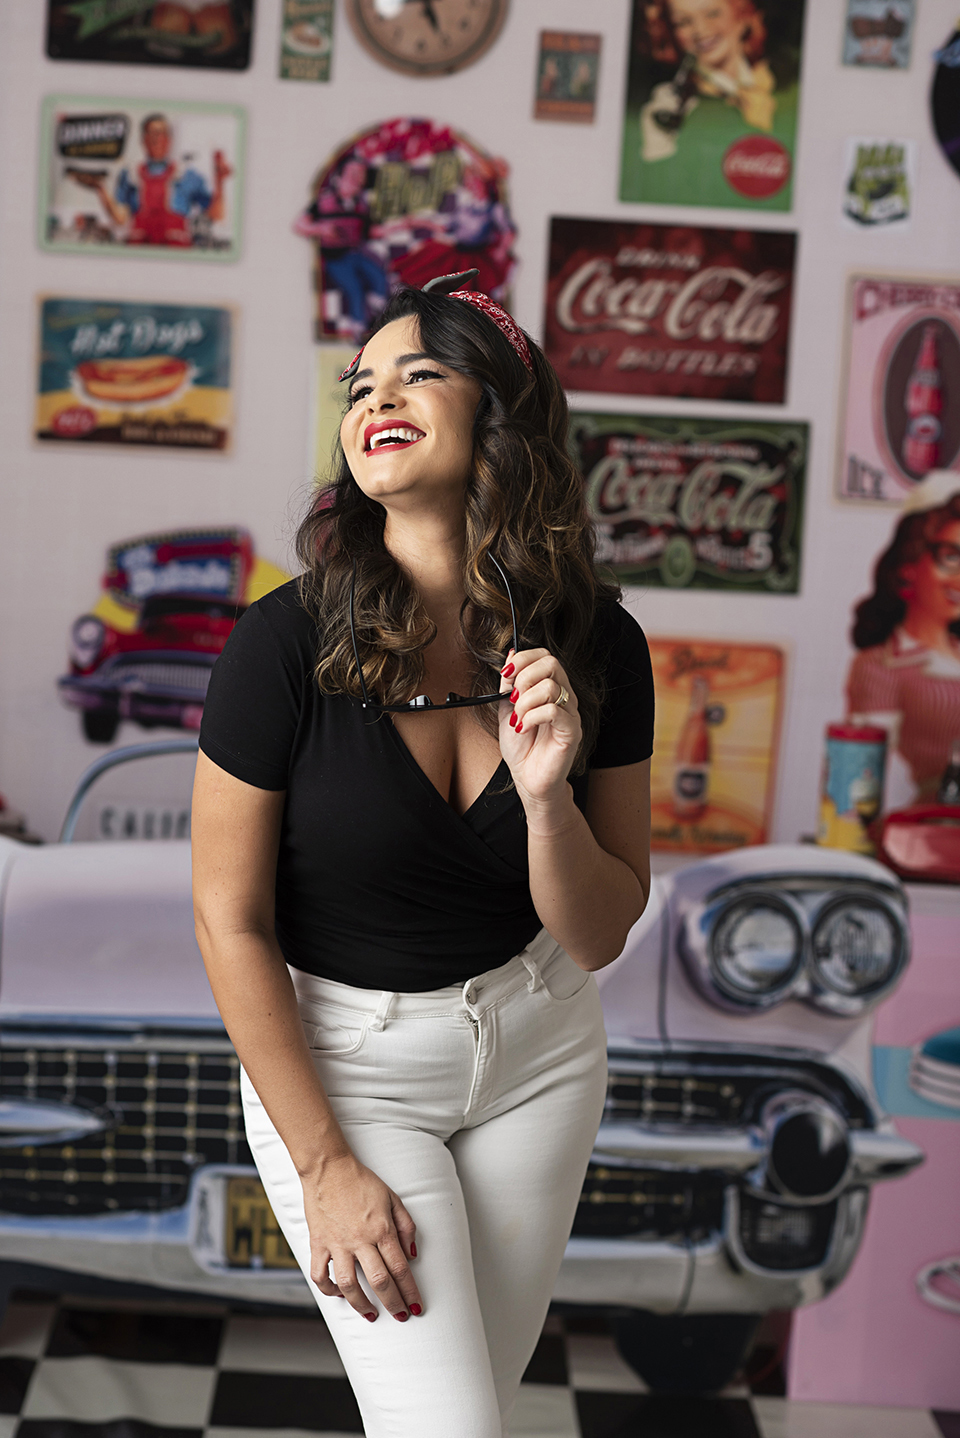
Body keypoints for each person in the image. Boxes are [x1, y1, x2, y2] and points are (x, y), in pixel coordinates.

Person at [191, 271, 653, 1438]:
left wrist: (547, 801)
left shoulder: (599, 641)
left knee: (473, 1412)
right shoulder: (279, 646)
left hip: (542, 1054)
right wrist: (324, 1166)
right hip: (353, 1074)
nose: (375, 400)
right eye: (360, 387)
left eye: (418, 374)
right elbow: (229, 920)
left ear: (498, 416)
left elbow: (600, 931)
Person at [847, 472, 960, 799]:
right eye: (951, 557)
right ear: (908, 567)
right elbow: (863, 778)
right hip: (930, 818)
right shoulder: (880, 666)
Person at [639, 0, 776, 162]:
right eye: (683, 22)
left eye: (712, 14)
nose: (700, 30)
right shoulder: (674, 105)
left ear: (742, 15)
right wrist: (658, 143)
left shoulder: (777, 78)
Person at [91, 112, 232, 247]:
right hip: (139, 249)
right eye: (152, 133)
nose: (157, 139)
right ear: (143, 140)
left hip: (176, 252)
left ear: (170, 140)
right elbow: (120, 219)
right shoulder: (129, 175)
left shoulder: (188, 175)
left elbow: (216, 215)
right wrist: (100, 189)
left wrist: (220, 182)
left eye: (162, 133)